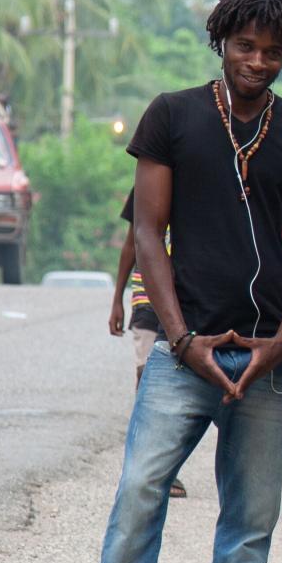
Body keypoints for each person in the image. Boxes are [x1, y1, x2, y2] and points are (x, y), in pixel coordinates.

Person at [47, 0, 282, 563]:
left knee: (250, 519)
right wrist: (179, 339)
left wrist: (280, 344)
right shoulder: (172, 115)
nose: (258, 61)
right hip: (186, 351)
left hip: (264, 354)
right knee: (141, 496)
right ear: (221, 42)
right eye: (245, 46)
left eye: (274, 52)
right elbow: (148, 232)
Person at [109, 192, 186, 497]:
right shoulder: (144, 187)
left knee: (179, 386)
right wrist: (117, 299)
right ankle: (150, 465)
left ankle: (169, 466)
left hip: (184, 301)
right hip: (146, 300)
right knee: (147, 380)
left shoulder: (199, 181)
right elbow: (131, 243)